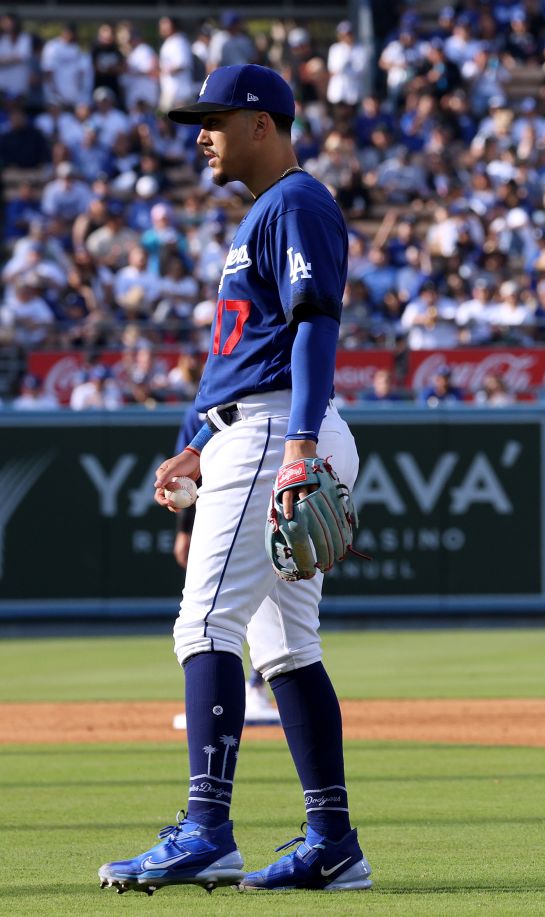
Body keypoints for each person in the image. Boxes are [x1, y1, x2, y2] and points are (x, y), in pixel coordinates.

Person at [97, 64, 371, 895]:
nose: (200, 135)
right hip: (248, 427)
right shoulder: (264, 214)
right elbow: (235, 353)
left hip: (275, 428)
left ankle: (206, 830)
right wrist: (191, 441)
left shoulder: (296, 201)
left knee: (203, 623)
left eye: (215, 118)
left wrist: (295, 446)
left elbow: (314, 329)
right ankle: (332, 841)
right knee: (286, 646)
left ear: (263, 122)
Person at [168, 412, 283, 731]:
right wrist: (184, 530)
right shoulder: (200, 412)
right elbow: (186, 477)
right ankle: (210, 696)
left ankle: (254, 688)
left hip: (267, 499)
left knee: (267, 619)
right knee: (210, 616)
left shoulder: (258, 404)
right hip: (216, 511)